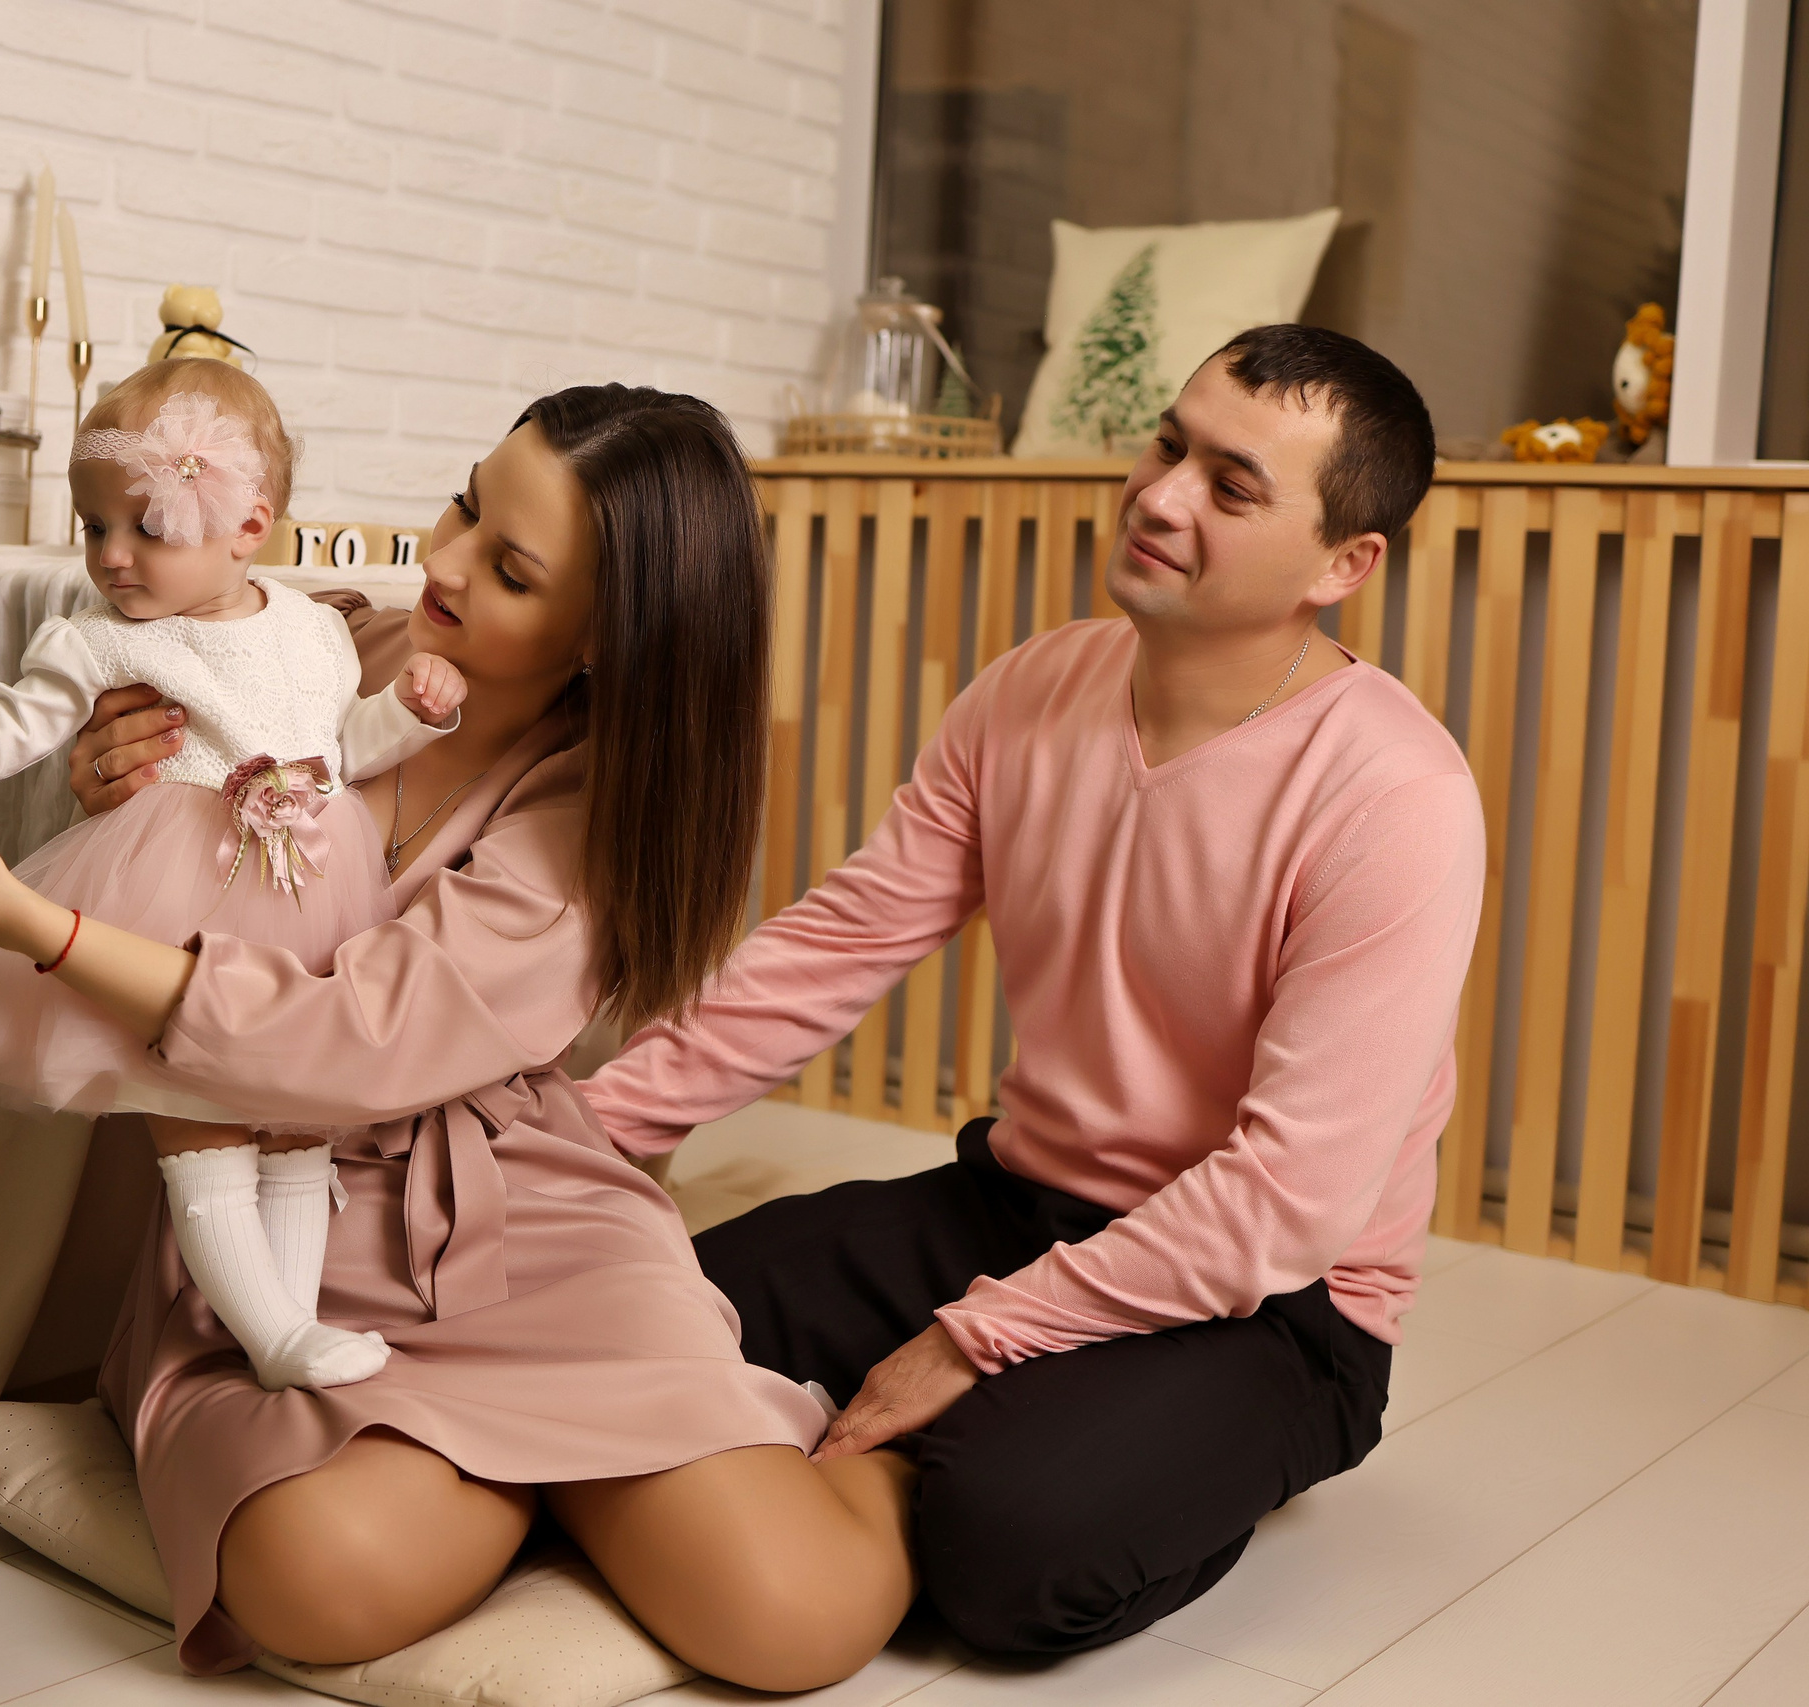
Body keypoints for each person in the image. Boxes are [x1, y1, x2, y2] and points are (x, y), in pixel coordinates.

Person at [0, 386, 918, 1689]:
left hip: (527, 1225)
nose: (448, 559)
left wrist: (40, 925)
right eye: (469, 501)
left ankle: (771, 1456)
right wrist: (112, 797)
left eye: (513, 567)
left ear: (607, 637)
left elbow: (348, 1036)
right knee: (309, 1578)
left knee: (798, 1614)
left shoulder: (584, 815)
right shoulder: (312, 645)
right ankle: (541, 1480)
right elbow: (145, 753)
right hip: (276, 1228)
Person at [574, 324, 1488, 1657]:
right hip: (1018, 1200)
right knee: (635, 1300)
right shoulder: (1030, 691)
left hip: (1279, 1304)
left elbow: (1285, 1205)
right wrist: (586, 1139)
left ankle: (1200, 1458)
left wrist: (970, 1340)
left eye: (1231, 487)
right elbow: (839, 942)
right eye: (1169, 443)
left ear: (1344, 566)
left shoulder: (1399, 798)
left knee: (1001, 1543)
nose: (1162, 494)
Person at [0, 360, 464, 1392]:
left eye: (147, 530)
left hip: (309, 885)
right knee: (196, 1106)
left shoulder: (310, 629)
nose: (111, 559)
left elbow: (340, 748)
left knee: (299, 1114)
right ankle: (269, 1334)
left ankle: (295, 1327)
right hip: (174, 897)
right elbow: (0, 730)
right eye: (91, 528)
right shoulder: (99, 641)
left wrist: (415, 713)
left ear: (246, 528)